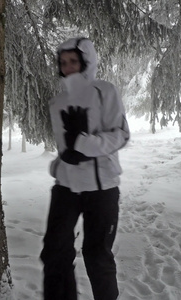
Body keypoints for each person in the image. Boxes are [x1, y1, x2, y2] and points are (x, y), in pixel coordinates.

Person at [40, 37, 130, 300]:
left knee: (97, 254)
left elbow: (121, 135)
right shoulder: (57, 102)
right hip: (66, 186)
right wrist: (61, 161)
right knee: (55, 251)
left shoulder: (105, 91)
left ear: (86, 61)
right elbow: (63, 145)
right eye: (63, 62)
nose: (68, 67)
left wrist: (85, 144)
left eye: (74, 61)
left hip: (102, 188)